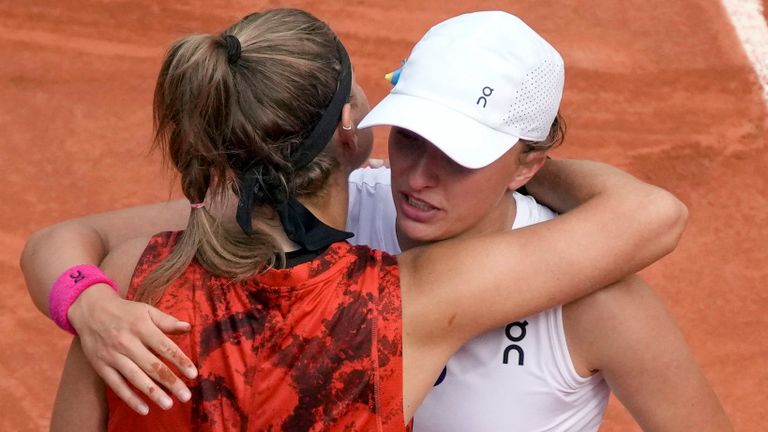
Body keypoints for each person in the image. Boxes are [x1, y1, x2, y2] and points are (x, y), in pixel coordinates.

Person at [20, 8, 688, 431]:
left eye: (461, 155)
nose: (420, 177)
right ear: (352, 130)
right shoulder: (410, 301)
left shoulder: (139, 275)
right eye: (411, 137)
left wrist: (92, 302)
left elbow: (65, 244)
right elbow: (649, 213)